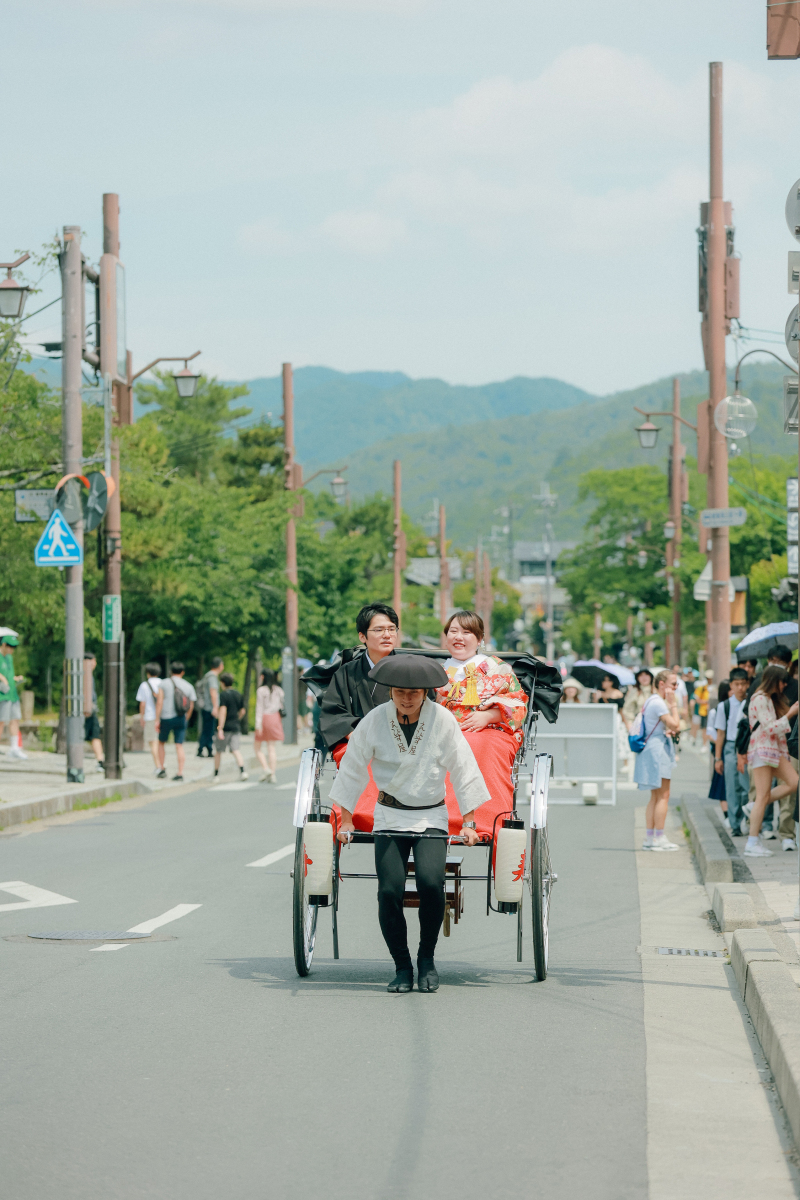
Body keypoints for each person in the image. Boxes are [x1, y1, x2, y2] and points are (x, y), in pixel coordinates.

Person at [331, 654, 489, 994]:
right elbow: (353, 768)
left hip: (430, 815)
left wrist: (471, 821)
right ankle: (402, 966)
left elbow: (463, 768)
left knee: (432, 885)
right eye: (400, 692)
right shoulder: (374, 720)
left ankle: (426, 959)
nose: (407, 698)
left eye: (414, 693)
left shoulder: (443, 720)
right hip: (389, 814)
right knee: (389, 891)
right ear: (390, 691)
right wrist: (345, 819)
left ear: (426, 693)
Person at [435, 610, 527, 815]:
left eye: (467, 632)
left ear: (479, 639)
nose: (458, 637)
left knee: (478, 746)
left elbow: (518, 705)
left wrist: (488, 716)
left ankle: (486, 817)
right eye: (453, 631)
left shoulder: (497, 668)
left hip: (490, 730)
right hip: (443, 731)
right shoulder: (435, 671)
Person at [319, 603, 399, 748]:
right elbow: (332, 713)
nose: (387, 635)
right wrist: (358, 737)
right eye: (379, 630)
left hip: (400, 749)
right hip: (357, 747)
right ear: (362, 636)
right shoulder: (347, 673)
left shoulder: (408, 670)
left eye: (391, 629)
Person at [743, 665, 799, 858]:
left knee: (793, 782)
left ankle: (754, 806)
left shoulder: (767, 699)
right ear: (775, 680)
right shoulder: (759, 699)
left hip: (772, 751)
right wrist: (790, 714)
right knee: (763, 795)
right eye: (783, 681)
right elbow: (769, 728)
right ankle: (752, 841)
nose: (784, 685)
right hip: (763, 750)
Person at [634, 668, 681, 851]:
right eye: (673, 684)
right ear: (662, 684)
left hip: (652, 749)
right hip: (657, 751)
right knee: (663, 795)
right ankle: (659, 838)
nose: (676, 687)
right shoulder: (659, 703)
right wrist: (674, 705)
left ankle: (650, 838)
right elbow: (676, 725)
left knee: (655, 796)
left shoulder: (651, 701)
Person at [713, 668, 749, 837]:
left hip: (748, 746)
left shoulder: (751, 702)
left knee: (747, 786)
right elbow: (720, 733)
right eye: (737, 684)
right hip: (730, 745)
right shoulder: (724, 706)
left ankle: (747, 819)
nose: (740, 688)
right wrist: (717, 758)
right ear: (731, 685)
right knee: (732, 786)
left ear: (748, 684)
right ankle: (735, 824)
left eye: (743, 684)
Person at [155, 661, 197, 781]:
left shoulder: (163, 684)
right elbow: (191, 705)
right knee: (179, 745)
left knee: (161, 743)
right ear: (182, 672)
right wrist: (186, 717)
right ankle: (180, 772)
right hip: (180, 717)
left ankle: (162, 769)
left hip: (166, 718)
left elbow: (159, 702)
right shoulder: (188, 686)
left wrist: (157, 719)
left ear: (170, 671)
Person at [215, 672, 248, 780]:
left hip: (226, 728)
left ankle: (216, 775)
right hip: (236, 726)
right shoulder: (238, 694)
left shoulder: (223, 695)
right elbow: (243, 711)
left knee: (219, 751)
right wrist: (237, 719)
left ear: (222, 683)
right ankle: (243, 771)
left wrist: (220, 728)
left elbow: (222, 712)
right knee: (235, 749)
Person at [254, 668, 284, 783]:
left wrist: (258, 725)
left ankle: (266, 768)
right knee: (272, 748)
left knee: (257, 747)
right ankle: (272, 774)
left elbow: (259, 708)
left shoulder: (261, 690)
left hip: (265, 718)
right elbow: (281, 707)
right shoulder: (279, 690)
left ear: (263, 677)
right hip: (275, 717)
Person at [0, 634, 27, 760]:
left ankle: (14, 747)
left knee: (15, 719)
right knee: (1, 721)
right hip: (2, 694)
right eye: (10, 646)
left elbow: (10, 674)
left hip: (12, 693)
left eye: (14, 647)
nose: (12, 650)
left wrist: (16, 678)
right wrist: (2, 678)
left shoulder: (9, 658)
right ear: (4, 645)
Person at [136, 663, 162, 773]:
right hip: (162, 716)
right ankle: (162, 764)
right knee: (161, 742)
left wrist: (142, 717)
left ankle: (158, 767)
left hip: (150, 717)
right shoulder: (162, 683)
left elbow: (142, 703)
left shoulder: (144, 685)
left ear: (147, 673)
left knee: (153, 743)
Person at [196, 657, 224, 759]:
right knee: (208, 729)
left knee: (208, 729)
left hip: (206, 706)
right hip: (209, 707)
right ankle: (201, 749)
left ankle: (208, 748)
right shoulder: (212, 677)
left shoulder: (207, 676)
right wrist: (215, 707)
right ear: (220, 665)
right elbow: (213, 692)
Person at [82, 652, 105, 771]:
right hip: (86, 710)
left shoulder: (88, 674)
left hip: (89, 709)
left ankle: (100, 760)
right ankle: (99, 760)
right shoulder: (84, 674)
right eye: (94, 661)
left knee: (95, 735)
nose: (95, 664)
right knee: (91, 735)